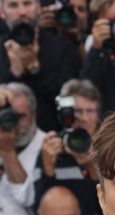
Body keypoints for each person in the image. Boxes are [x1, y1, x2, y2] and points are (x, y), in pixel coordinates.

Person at [34, 79, 106, 215]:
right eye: (78, 111)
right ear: (65, 113)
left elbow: (112, 209)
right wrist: (48, 169)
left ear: (98, 113)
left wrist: (93, 168)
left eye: (90, 111)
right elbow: (39, 209)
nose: (84, 118)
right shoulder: (52, 149)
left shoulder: (108, 147)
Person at [0, 0, 81, 132]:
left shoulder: (63, 48)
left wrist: (35, 68)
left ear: (38, 7)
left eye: (27, 4)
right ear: (2, 12)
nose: (22, 12)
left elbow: (68, 102)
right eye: (13, 5)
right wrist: (14, 74)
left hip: (52, 135)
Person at [0, 83, 46, 215]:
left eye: (20, 117)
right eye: (6, 116)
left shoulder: (46, 146)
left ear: (34, 114)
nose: (13, 124)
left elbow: (29, 199)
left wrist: (7, 151)